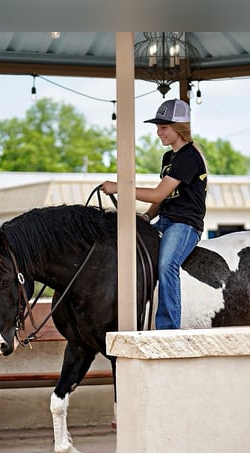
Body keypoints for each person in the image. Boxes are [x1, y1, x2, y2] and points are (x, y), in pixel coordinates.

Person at [101, 98, 208, 330]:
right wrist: (148, 217)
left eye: (164, 127)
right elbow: (165, 199)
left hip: (185, 224)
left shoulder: (189, 156)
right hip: (166, 219)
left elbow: (159, 194)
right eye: (158, 127)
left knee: (167, 264)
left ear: (179, 128)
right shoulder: (169, 157)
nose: (159, 132)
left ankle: (168, 328)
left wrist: (120, 187)